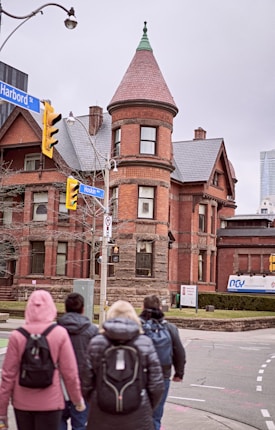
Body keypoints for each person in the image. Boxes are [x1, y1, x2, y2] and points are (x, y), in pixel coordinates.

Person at [0, 289, 85, 430]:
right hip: (51, 402)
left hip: (22, 402)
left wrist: (2, 412)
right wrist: (77, 400)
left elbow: (7, 376)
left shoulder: (17, 336)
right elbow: (70, 373)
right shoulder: (59, 334)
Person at [82, 299, 164, 430]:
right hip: (138, 414)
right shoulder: (144, 343)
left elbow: (85, 381)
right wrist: (145, 404)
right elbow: (157, 385)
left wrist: (98, 400)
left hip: (101, 414)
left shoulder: (97, 343)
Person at [140, 295, 186, 430]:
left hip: (140, 375)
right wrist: (179, 373)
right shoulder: (170, 328)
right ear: (160, 308)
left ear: (143, 307)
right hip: (163, 375)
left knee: (137, 413)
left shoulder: (136, 325)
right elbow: (179, 352)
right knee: (156, 414)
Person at [58, 292, 98, 430]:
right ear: (82, 309)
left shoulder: (55, 330)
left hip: (59, 385)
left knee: (59, 423)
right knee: (80, 424)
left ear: (66, 308)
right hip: (84, 385)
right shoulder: (92, 331)